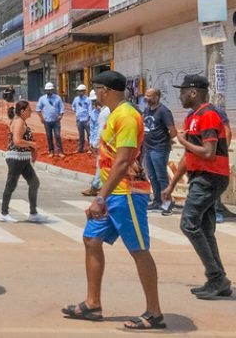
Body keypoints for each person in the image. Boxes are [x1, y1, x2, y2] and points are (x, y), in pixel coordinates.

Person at [62, 70, 164, 331]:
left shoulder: (128, 116)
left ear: (105, 90)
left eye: (96, 89)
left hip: (126, 193)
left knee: (138, 250)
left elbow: (123, 161)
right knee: (91, 240)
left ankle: (154, 313)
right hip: (113, 193)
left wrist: (100, 197)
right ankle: (92, 304)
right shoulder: (116, 114)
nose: (94, 94)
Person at [162, 75, 231, 300]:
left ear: (193, 92)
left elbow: (208, 153)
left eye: (182, 91)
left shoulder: (208, 115)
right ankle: (218, 280)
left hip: (210, 177)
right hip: (200, 177)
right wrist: (172, 184)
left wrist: (182, 142)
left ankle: (216, 277)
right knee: (205, 228)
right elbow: (189, 156)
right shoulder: (192, 117)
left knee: (189, 224)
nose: (179, 96)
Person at [0, 100, 48, 223]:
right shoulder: (19, 122)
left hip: (23, 158)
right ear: (22, 111)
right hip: (16, 158)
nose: (30, 112)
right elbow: (16, 141)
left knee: (34, 182)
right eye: (28, 110)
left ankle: (33, 213)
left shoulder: (21, 121)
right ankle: (3, 213)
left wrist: (32, 150)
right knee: (11, 184)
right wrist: (32, 144)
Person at [140, 88, 176, 215]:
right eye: (146, 95)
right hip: (148, 148)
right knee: (152, 176)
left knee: (161, 176)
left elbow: (173, 131)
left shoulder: (164, 111)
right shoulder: (147, 110)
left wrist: (165, 141)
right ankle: (157, 201)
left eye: (150, 95)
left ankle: (167, 202)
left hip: (159, 148)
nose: (146, 97)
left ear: (157, 97)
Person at [82, 90, 110, 197]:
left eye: (95, 100)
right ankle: (98, 186)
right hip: (98, 142)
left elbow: (101, 131)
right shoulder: (95, 112)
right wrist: (91, 141)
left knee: (101, 165)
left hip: (104, 144)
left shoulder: (105, 112)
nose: (94, 103)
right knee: (101, 165)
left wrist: (95, 144)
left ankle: (96, 186)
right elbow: (93, 128)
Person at [36, 82, 65, 157]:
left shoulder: (57, 98)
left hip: (56, 121)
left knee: (57, 135)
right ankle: (51, 151)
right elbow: (38, 109)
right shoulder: (42, 99)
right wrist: (41, 118)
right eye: (47, 90)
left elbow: (62, 108)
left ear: (52, 90)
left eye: (50, 90)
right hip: (47, 121)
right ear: (45, 90)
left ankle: (60, 151)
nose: (48, 91)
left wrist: (60, 116)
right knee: (49, 136)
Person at [72, 84, 91, 153]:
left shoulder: (88, 99)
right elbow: (73, 106)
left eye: (81, 91)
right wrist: (75, 110)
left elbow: (90, 109)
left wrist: (89, 118)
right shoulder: (76, 99)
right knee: (81, 135)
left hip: (86, 120)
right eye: (78, 91)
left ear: (84, 91)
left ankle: (90, 148)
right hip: (79, 120)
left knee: (89, 135)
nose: (79, 92)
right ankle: (80, 148)